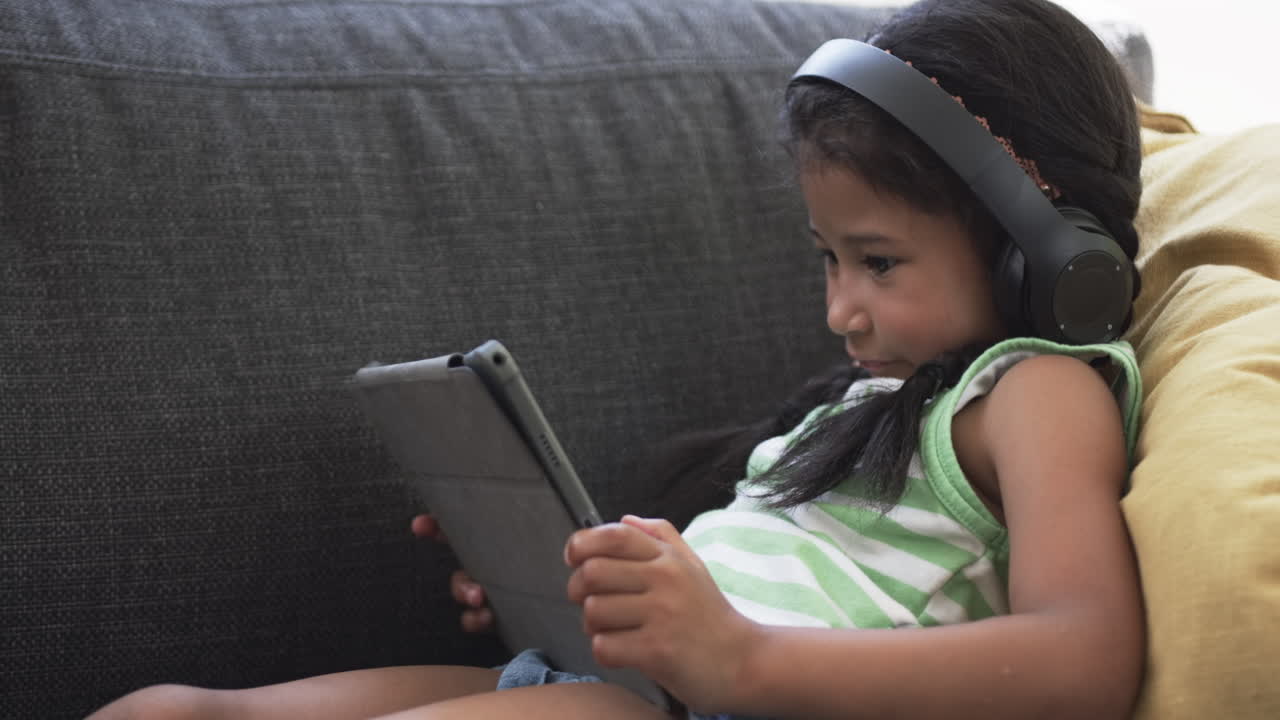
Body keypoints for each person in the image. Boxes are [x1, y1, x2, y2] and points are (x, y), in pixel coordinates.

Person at [87, 0, 1147, 718]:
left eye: (876, 261)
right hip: (620, 682)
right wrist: (565, 587)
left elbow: (1087, 656)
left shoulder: (1034, 388)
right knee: (177, 710)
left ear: (1039, 252)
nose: (838, 310)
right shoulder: (856, 408)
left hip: (718, 698)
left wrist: (742, 655)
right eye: (826, 258)